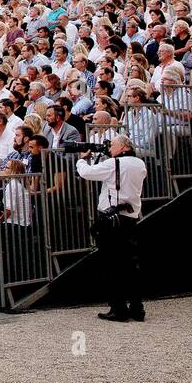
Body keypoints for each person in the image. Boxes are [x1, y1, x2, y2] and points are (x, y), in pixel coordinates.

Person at [76, 134, 147, 322]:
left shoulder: (114, 164)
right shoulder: (140, 164)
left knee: (111, 265)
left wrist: (82, 160)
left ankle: (118, 308)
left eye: (113, 145)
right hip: (130, 218)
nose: (109, 148)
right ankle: (137, 308)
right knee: (131, 264)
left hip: (111, 220)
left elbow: (86, 173)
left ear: (123, 147)